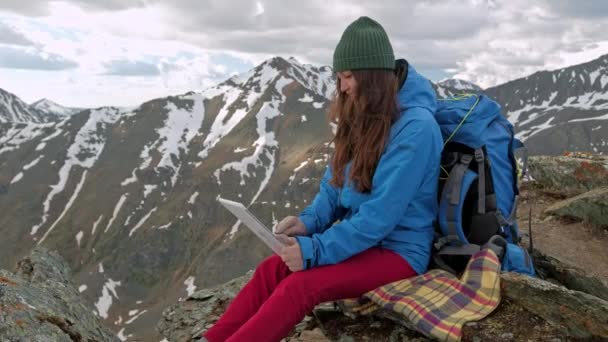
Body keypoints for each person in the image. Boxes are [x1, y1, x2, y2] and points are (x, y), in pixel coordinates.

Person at [201, 16, 443, 342]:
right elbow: (335, 184)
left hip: (398, 252)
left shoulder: (417, 129)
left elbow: (378, 219)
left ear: (372, 77)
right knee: (271, 270)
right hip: (361, 242)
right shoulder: (364, 110)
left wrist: (314, 250)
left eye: (347, 77)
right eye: (339, 77)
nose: (342, 87)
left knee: (299, 287)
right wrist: (307, 223)